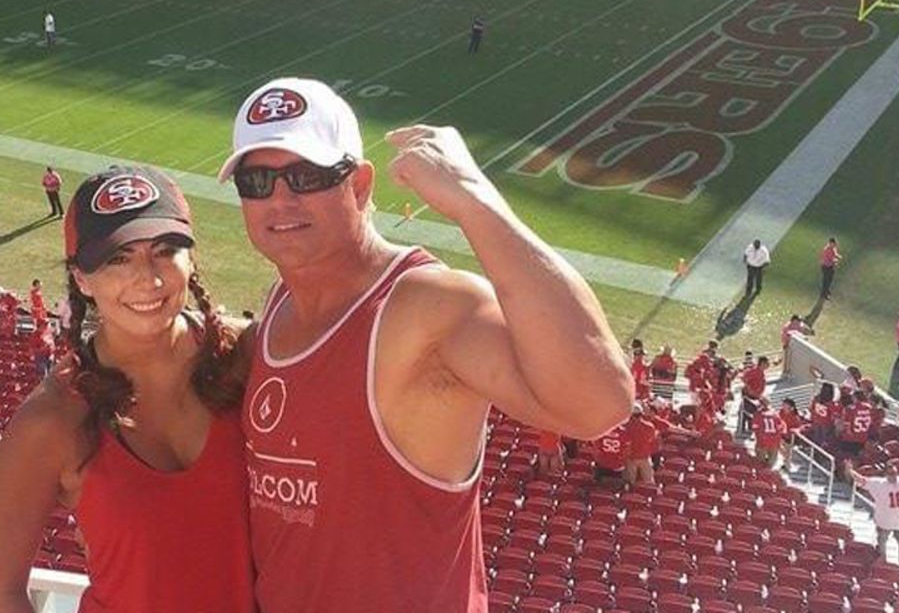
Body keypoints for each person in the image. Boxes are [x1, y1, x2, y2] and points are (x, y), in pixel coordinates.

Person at [216, 78, 631, 610]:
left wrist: (474, 200)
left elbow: (598, 404)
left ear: (360, 186)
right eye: (256, 181)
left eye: (306, 175)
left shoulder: (428, 305)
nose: (280, 199)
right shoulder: (279, 306)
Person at [0, 165, 255, 613]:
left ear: (192, 259)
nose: (148, 278)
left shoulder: (248, 355)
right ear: (82, 278)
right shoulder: (51, 418)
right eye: (118, 258)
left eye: (166, 250)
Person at [624, 403, 659, 485]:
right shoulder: (649, 427)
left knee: (630, 484)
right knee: (649, 484)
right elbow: (653, 443)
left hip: (631, 458)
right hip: (645, 457)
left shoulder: (626, 427)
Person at [738, 355, 769, 437]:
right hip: (750, 396)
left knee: (753, 413)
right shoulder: (754, 371)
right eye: (766, 363)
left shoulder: (760, 372)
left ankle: (750, 428)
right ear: (762, 363)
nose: (768, 365)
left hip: (756, 396)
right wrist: (750, 389)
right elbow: (743, 377)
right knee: (746, 412)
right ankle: (742, 429)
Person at [752, 398, 787, 468]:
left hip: (763, 441)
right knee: (770, 465)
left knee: (759, 464)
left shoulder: (758, 415)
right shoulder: (775, 414)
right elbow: (782, 427)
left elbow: (755, 428)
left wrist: (758, 441)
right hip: (774, 442)